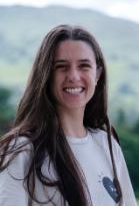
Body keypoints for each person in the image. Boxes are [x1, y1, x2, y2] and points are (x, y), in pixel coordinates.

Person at [0, 24, 137, 206]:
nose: (73, 76)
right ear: (46, 75)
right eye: (61, 67)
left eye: (84, 65)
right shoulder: (21, 152)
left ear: (98, 74)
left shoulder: (107, 145)